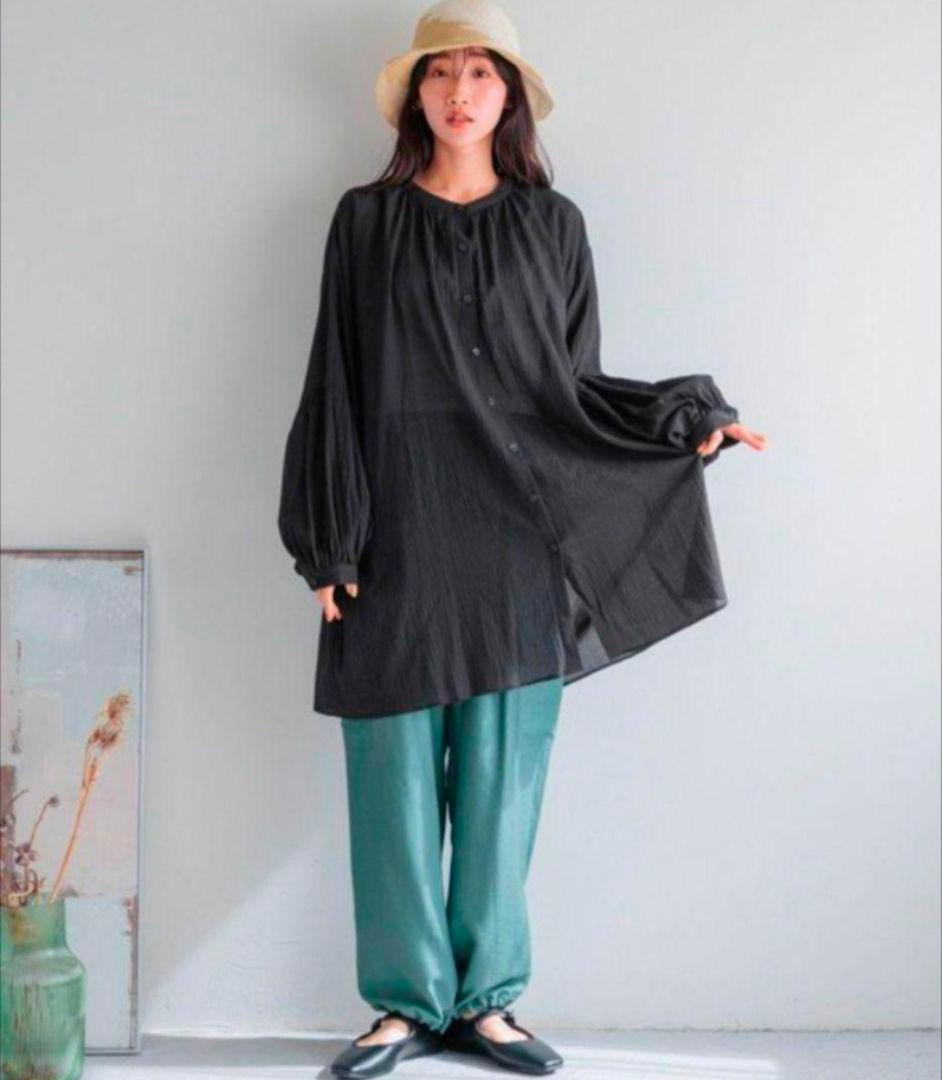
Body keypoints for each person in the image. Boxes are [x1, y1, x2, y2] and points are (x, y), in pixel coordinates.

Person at [277, 1, 768, 1076]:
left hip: (515, 533)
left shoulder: (555, 225)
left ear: (508, 97)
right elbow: (337, 380)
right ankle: (403, 1006)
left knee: (504, 777)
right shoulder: (365, 221)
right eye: (440, 73)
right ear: (415, 95)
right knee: (394, 776)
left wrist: (682, 421)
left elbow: (572, 390)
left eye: (480, 74)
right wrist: (329, 541)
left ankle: (488, 1004)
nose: (459, 93)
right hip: (398, 526)